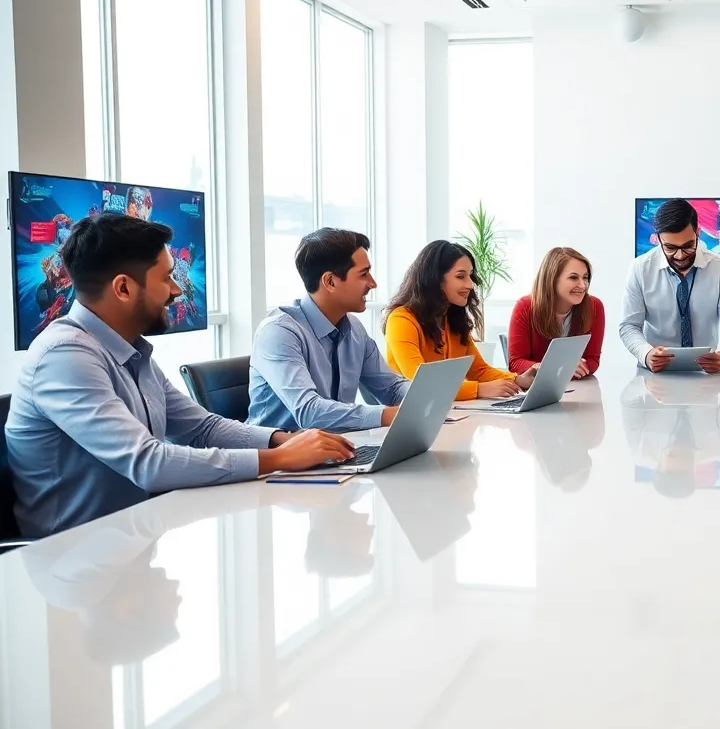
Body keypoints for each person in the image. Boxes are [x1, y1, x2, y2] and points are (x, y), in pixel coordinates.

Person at [6, 213, 354, 538]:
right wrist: (280, 459)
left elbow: (202, 428)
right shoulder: (64, 355)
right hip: (72, 557)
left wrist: (284, 440)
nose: (177, 290)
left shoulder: (130, 350)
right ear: (123, 288)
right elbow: (148, 462)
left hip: (134, 537)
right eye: (166, 278)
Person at [249, 228, 410, 432]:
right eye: (364, 274)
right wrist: (389, 415)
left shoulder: (354, 328)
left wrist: (428, 400)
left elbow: (391, 388)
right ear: (330, 281)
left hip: (340, 445)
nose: (373, 283)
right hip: (280, 450)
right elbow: (309, 412)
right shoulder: (279, 332)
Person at [383, 240, 537, 400]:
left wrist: (518, 380)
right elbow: (422, 382)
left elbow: (479, 371)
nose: (470, 285)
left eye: (470, 276)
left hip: (449, 410)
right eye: (460, 276)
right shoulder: (401, 320)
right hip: (410, 411)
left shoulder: (452, 320)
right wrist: (479, 390)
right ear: (435, 279)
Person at [620, 198, 720, 374]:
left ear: (698, 232)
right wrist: (646, 354)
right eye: (670, 247)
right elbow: (629, 326)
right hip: (653, 374)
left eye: (688, 246)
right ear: (658, 239)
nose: (680, 256)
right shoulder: (640, 268)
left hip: (706, 374)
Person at [508, 246, 604, 379]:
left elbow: (592, 360)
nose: (583, 285)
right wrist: (559, 368)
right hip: (538, 388)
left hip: (578, 386)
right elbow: (515, 363)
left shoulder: (594, 306)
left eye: (585, 278)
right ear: (552, 279)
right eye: (573, 278)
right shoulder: (525, 307)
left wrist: (571, 370)